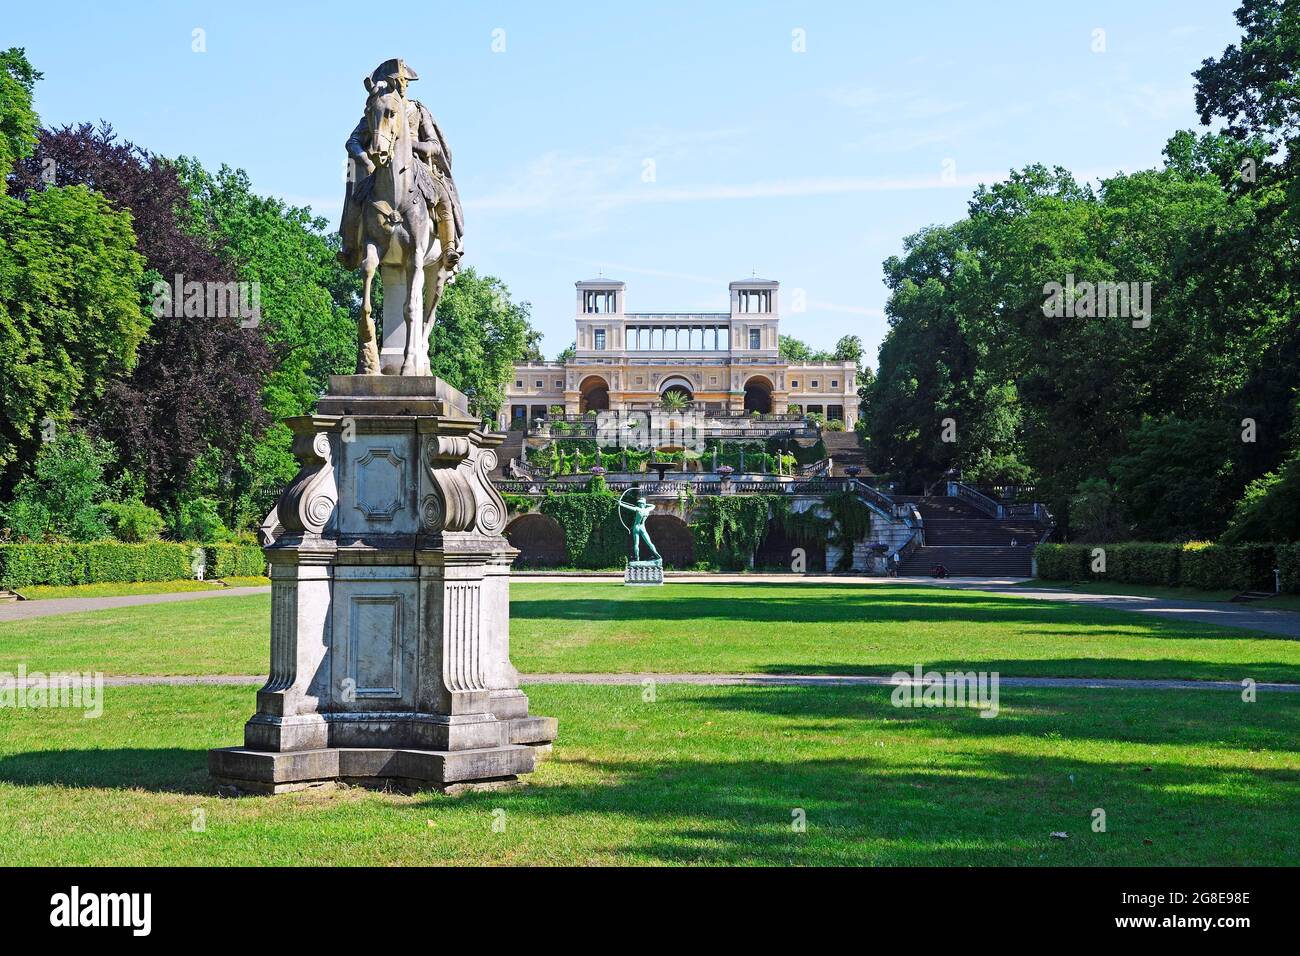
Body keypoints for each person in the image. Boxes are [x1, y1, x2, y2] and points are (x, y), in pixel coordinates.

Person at [338, 59, 463, 270]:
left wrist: (410, 144)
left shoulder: (417, 110)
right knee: (357, 198)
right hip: (382, 165)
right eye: (397, 81)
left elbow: (434, 145)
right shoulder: (379, 109)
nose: (402, 84)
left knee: (443, 194)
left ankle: (449, 247)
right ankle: (350, 248)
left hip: (417, 165)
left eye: (404, 80)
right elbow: (353, 141)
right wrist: (365, 159)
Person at [618, 495, 661, 562]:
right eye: (639, 503)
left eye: (640, 503)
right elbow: (653, 506)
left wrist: (621, 504)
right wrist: (646, 504)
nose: (639, 504)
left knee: (636, 544)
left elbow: (629, 507)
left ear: (642, 504)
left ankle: (637, 558)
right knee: (649, 543)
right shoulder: (647, 509)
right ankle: (657, 555)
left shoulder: (637, 509)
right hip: (642, 527)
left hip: (636, 527)